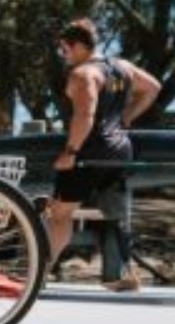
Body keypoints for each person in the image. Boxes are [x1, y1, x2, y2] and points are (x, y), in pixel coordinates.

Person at [45, 18, 161, 290]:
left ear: (77, 46)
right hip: (120, 149)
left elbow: (85, 115)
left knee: (59, 214)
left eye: (65, 49)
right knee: (113, 214)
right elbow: (153, 87)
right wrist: (126, 118)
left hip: (89, 151)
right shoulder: (122, 67)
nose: (64, 56)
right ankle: (119, 275)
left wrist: (70, 151)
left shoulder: (83, 74)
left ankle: (37, 274)